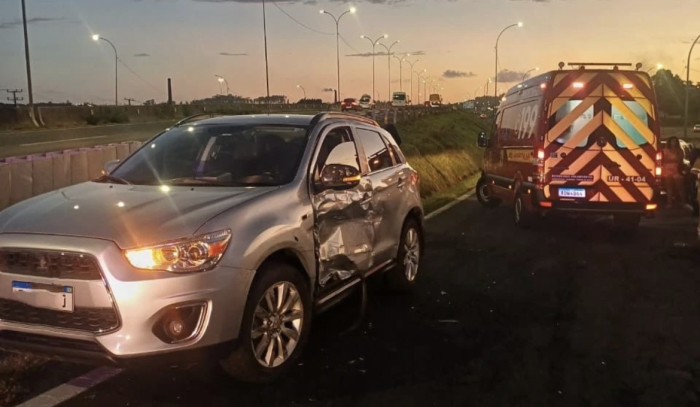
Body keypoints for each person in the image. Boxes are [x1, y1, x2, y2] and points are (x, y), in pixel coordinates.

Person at [662, 137, 688, 209]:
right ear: (669, 142)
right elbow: (663, 160)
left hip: (677, 169)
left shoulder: (679, 150)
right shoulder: (665, 151)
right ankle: (669, 203)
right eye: (672, 141)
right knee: (669, 187)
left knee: (680, 186)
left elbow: (681, 160)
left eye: (675, 141)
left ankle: (684, 202)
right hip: (667, 169)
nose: (674, 143)